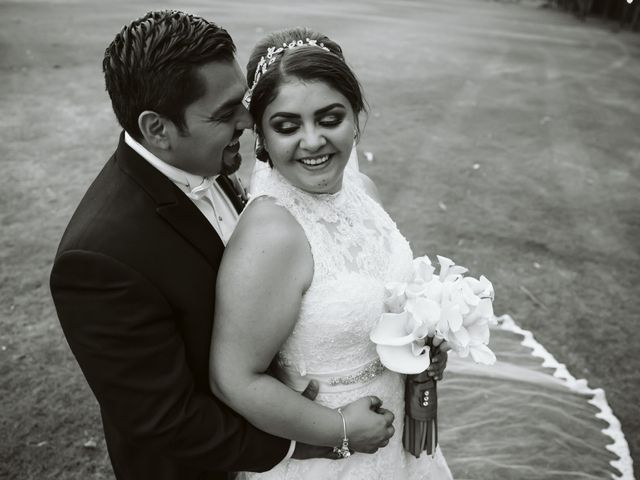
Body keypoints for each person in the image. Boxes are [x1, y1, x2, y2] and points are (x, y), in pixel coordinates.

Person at [49, 11, 401, 480]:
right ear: (158, 130)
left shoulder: (217, 164)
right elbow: (164, 419)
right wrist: (316, 437)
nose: (248, 119)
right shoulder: (99, 258)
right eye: (224, 112)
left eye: (245, 100)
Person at [208, 27, 453, 479]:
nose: (313, 141)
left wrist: (419, 347)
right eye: (287, 126)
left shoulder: (364, 190)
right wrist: (339, 428)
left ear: (355, 117)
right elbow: (233, 379)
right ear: (260, 135)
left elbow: (380, 304)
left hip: (396, 442)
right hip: (329, 459)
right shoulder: (272, 233)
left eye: (329, 118)